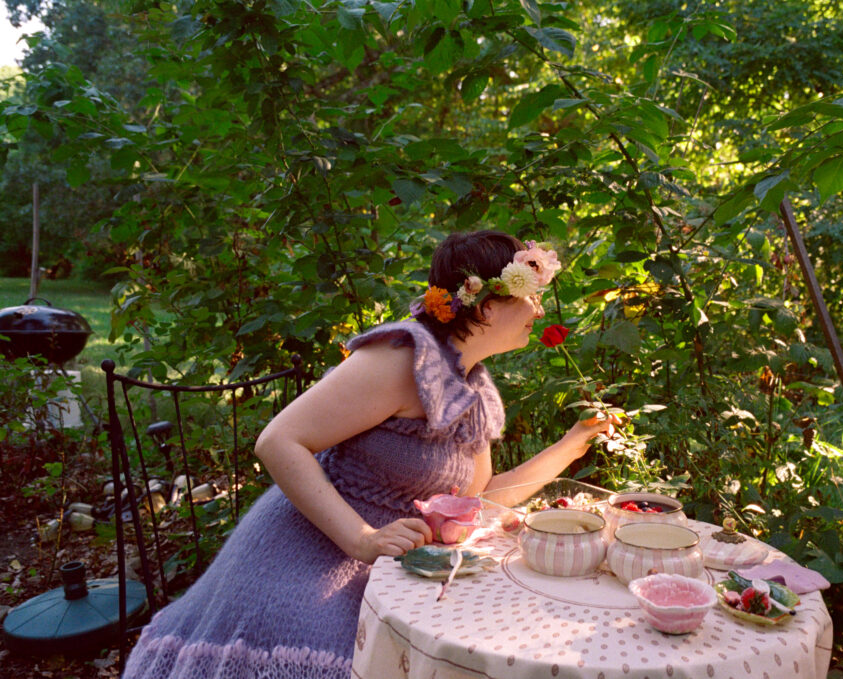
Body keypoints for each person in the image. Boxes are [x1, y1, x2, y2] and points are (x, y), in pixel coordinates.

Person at [122, 230, 614, 679]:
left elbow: (477, 499)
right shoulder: (401, 357)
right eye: (533, 295)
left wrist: (571, 445)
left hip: (381, 573)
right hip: (297, 567)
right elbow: (279, 441)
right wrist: (361, 539)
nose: (541, 311)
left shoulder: (471, 385)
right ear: (486, 306)